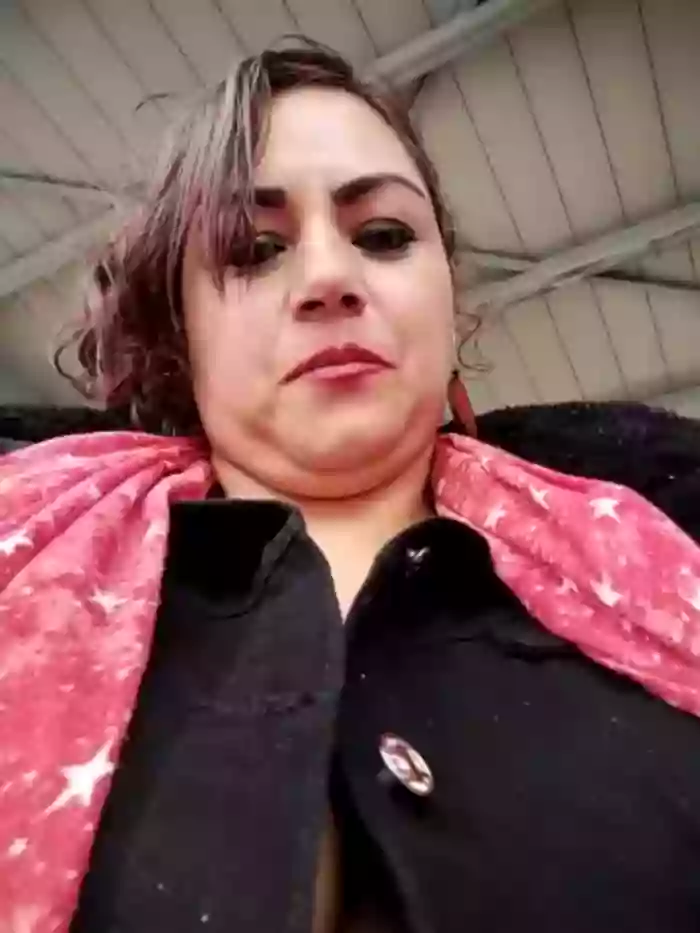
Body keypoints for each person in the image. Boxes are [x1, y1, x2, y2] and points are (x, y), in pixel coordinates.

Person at [2, 42, 700, 933]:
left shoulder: (666, 543)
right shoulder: (24, 547)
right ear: (183, 333)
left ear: (449, 296)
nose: (330, 277)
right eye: (255, 249)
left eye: (383, 235)